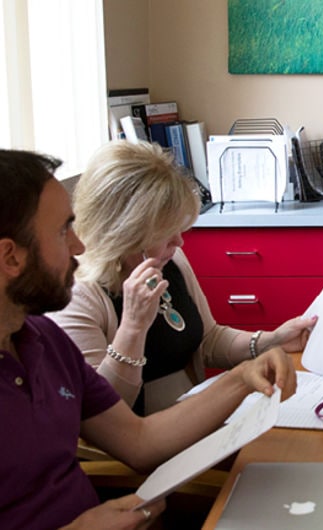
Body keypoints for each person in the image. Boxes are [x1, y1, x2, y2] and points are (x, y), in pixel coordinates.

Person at [0, 148, 297, 529]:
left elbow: (138, 441)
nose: (78, 245)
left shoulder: (42, 339)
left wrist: (242, 376)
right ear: (10, 258)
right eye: (62, 231)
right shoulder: (72, 310)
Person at [49, 141, 315, 414]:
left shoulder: (170, 260)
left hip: (194, 422)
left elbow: (208, 340)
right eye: (166, 232)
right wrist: (132, 328)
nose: (179, 241)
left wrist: (271, 340)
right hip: (143, 443)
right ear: (125, 233)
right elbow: (102, 414)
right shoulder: (77, 297)